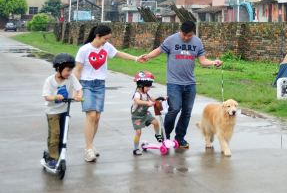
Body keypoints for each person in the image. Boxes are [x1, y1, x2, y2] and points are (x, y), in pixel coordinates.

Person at [139, 21, 221, 149]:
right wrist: (147, 56)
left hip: (190, 84)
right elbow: (159, 50)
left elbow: (203, 60)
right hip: (174, 83)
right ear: (180, 31)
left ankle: (180, 138)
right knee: (175, 109)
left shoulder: (197, 42)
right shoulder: (172, 39)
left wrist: (213, 62)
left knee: (187, 112)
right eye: (184, 35)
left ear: (193, 32)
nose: (186, 38)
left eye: (189, 35)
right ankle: (165, 136)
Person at [74, 24, 143, 162]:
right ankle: (88, 149)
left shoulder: (106, 47)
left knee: (97, 117)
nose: (107, 41)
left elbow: (119, 54)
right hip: (86, 85)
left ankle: (90, 145)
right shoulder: (84, 50)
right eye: (105, 38)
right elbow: (78, 70)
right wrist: (78, 90)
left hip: (100, 84)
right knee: (91, 115)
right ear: (97, 36)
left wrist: (136, 58)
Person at [42, 53, 83, 168]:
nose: (69, 73)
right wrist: (55, 97)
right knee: (55, 134)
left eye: (71, 70)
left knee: (63, 135)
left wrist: (79, 95)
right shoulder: (49, 80)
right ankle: (52, 157)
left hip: (65, 110)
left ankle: (60, 154)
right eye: (67, 70)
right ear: (58, 68)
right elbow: (46, 96)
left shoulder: (71, 78)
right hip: (52, 112)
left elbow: (79, 88)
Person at [130, 71, 163, 156]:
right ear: (141, 85)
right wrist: (147, 103)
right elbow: (137, 101)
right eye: (147, 86)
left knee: (155, 122)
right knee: (138, 132)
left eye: (150, 86)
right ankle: (136, 148)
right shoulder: (137, 94)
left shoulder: (146, 94)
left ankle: (157, 135)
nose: (149, 88)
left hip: (145, 114)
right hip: (137, 116)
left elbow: (153, 99)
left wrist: (161, 98)